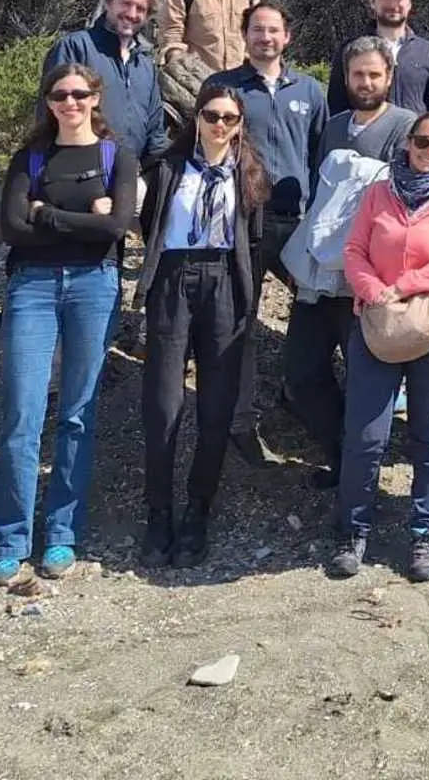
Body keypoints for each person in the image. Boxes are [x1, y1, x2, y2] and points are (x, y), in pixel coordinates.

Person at [0, 63, 139, 584]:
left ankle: (61, 532)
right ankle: (9, 537)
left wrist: (47, 214)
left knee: (77, 414)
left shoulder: (116, 157)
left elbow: (116, 229)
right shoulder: (29, 157)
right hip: (31, 287)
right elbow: (12, 228)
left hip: (94, 287)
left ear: (95, 98)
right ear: (48, 101)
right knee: (22, 416)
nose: (70, 103)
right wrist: (84, 222)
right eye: (60, 95)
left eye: (79, 94)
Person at [331, 112, 429, 583]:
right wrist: (374, 290)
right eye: (423, 142)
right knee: (365, 435)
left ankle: (423, 532)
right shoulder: (377, 193)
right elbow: (354, 250)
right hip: (376, 325)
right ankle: (353, 530)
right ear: (408, 143)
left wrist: (406, 285)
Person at [135, 81, 272, 567]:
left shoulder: (250, 174)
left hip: (224, 284)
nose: (219, 125)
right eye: (211, 115)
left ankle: (198, 508)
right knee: (163, 403)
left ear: (240, 126)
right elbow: (148, 223)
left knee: (216, 405)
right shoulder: (169, 169)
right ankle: (158, 511)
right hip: (174, 279)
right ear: (196, 118)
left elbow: (254, 243)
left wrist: (247, 297)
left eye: (229, 119)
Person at [282, 38, 416, 487]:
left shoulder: (406, 127)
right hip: (320, 277)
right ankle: (342, 458)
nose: (365, 82)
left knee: (367, 382)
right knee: (301, 374)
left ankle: (360, 477)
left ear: (389, 77)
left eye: (374, 74)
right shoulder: (335, 126)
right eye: (357, 74)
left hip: (369, 280)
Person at [211, 1, 329, 464]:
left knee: (315, 309)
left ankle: (298, 395)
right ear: (245, 35)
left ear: (287, 37)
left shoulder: (311, 91)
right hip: (241, 223)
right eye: (257, 30)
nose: (265, 37)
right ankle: (239, 420)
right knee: (240, 320)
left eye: (273, 30)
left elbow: (321, 154)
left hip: (297, 223)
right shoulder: (223, 88)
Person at [43, 0, 167, 166]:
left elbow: (155, 131)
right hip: (79, 172)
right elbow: (49, 115)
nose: (131, 14)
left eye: (141, 8)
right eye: (125, 3)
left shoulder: (145, 64)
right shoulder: (75, 47)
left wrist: (155, 175)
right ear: (109, 2)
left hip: (131, 177)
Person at [327, 0, 429, 116]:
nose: (393, 4)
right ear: (372, 2)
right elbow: (336, 103)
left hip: (412, 136)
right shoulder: (350, 49)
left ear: (409, 4)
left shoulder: (427, 51)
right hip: (365, 136)